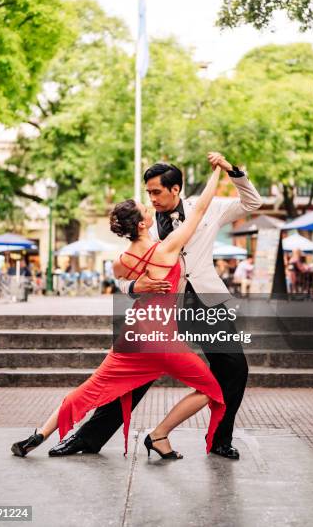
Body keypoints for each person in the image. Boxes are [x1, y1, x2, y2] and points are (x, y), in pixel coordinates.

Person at [49, 151, 262, 460]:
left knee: (234, 369)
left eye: (156, 191)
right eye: (148, 192)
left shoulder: (207, 208)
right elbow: (123, 275)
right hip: (163, 311)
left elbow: (253, 203)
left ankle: (218, 439)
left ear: (175, 189)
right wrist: (136, 286)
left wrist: (233, 171)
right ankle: (88, 438)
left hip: (207, 303)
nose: (151, 197)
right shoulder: (144, 222)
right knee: (135, 377)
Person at [11, 158, 226, 460]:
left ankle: (39, 434)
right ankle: (159, 434)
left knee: (90, 388)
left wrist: (137, 285)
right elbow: (201, 207)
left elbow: (121, 280)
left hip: (132, 336)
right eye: (145, 207)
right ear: (141, 224)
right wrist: (219, 170)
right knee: (210, 390)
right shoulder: (167, 248)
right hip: (162, 339)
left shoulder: (122, 260)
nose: (150, 205)